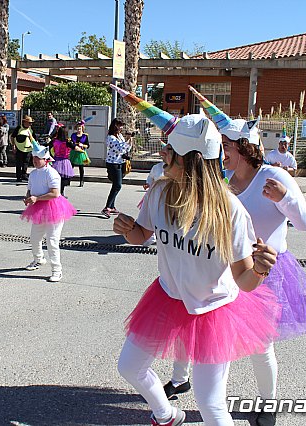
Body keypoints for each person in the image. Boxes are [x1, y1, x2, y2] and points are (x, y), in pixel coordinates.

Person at [111, 106, 279, 426]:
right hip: (167, 296)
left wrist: (259, 269)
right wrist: (127, 228)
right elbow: (141, 235)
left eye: (170, 149)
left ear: (188, 159)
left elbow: (243, 280)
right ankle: (167, 414)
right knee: (129, 367)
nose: (163, 152)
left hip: (214, 309)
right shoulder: (159, 192)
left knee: (210, 403)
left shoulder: (230, 210)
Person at [163, 86, 306, 426]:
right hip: (226, 270)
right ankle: (188, 383)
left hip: (265, 270)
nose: (222, 153)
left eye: (227, 147)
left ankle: (267, 404)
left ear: (244, 149)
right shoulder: (227, 180)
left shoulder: (274, 176)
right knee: (202, 331)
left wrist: (284, 200)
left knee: (260, 347)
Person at [21, 141, 77, 283]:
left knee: (52, 241)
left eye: (37, 158)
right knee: (34, 238)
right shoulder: (33, 174)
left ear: (45, 160)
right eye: (33, 158)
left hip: (54, 209)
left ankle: (57, 270)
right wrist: (28, 198)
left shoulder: (52, 173)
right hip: (38, 208)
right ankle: (39, 259)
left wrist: (36, 198)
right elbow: (30, 189)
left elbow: (55, 193)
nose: (34, 161)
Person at [101, 118, 131, 218]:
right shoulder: (110, 137)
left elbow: (126, 148)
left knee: (115, 185)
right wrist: (127, 141)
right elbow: (119, 149)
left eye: (122, 125)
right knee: (117, 185)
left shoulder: (119, 136)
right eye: (119, 125)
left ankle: (112, 206)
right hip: (113, 163)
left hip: (120, 163)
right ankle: (107, 207)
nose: (121, 127)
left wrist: (129, 141)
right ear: (115, 126)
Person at [50, 126, 75, 196]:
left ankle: (56, 191)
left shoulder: (54, 141)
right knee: (63, 178)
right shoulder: (67, 142)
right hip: (65, 161)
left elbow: (48, 147)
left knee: (55, 177)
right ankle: (61, 192)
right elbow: (75, 147)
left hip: (56, 160)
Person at [11, 115, 35, 182]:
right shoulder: (19, 128)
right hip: (19, 148)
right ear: (25, 122)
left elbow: (34, 139)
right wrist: (13, 145)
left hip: (28, 149)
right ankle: (18, 176)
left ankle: (24, 175)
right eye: (29, 123)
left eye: (31, 123)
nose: (30, 124)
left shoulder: (31, 129)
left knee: (26, 163)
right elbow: (12, 137)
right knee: (19, 163)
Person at [69, 120, 91, 187]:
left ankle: (81, 181)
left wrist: (83, 145)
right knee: (71, 167)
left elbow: (88, 145)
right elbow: (70, 143)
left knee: (81, 167)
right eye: (78, 128)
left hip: (81, 153)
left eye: (80, 128)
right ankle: (68, 180)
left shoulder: (85, 136)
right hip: (74, 152)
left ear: (82, 128)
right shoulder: (73, 135)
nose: (79, 129)